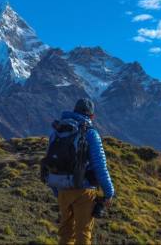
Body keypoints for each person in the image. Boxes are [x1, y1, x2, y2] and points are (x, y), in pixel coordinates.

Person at [43, 98, 115, 245]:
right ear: (92, 116)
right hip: (84, 190)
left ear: (74, 111)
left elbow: (50, 161)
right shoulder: (90, 133)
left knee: (66, 233)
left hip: (62, 189)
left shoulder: (57, 131)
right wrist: (109, 192)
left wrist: (57, 190)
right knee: (83, 234)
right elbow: (100, 166)